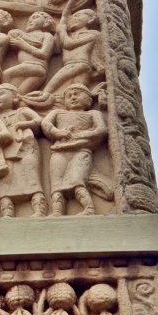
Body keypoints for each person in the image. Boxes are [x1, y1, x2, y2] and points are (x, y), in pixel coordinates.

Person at [41, 84, 107, 216]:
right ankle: (57, 211)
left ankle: (89, 209)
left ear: (88, 99)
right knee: (56, 184)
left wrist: (82, 134)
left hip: (81, 151)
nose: (73, 97)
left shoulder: (93, 113)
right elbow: (45, 123)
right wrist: (58, 132)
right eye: (69, 95)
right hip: (59, 151)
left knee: (77, 180)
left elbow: (101, 130)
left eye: (77, 94)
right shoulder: (57, 113)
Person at [0, 84, 47, 218]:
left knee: (31, 178)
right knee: (2, 183)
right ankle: (7, 212)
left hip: (25, 149)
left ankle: (39, 210)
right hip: (2, 154)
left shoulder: (21, 112)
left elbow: (39, 120)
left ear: (15, 98)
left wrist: (22, 124)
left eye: (0, 94)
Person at [3, 12, 55, 95]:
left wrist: (23, 44)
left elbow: (44, 54)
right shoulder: (23, 36)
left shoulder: (46, 35)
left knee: (6, 74)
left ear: (45, 23)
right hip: (29, 69)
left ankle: (2, 92)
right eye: (29, 19)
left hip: (36, 67)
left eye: (35, 17)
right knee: (18, 94)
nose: (30, 21)